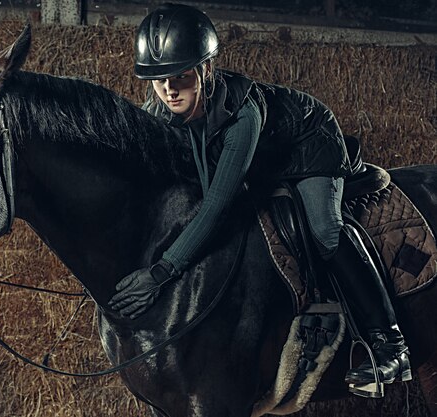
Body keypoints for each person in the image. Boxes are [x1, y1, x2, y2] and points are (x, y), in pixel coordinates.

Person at [108, 3, 411, 388]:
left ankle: (390, 344)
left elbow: (218, 205)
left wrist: (163, 271)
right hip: (266, 158)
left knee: (324, 230)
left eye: (181, 76)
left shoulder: (242, 118)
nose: (169, 89)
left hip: (307, 144)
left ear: (206, 69)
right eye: (158, 79)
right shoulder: (159, 109)